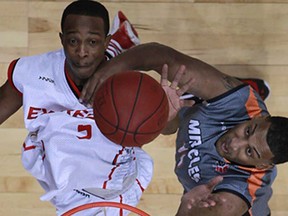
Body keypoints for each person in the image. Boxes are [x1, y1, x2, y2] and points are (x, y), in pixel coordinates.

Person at [79, 42, 288, 216]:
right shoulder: (240, 104)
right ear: (258, 117)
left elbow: (218, 210)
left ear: (263, 165)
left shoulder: (237, 195)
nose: (234, 143)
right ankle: (238, 87)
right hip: (226, 100)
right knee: (203, 90)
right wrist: (112, 68)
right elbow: (164, 57)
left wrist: (185, 210)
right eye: (248, 131)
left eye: (249, 151)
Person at [0, 0, 152, 215]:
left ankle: (119, 47)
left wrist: (168, 111)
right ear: (61, 39)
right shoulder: (33, 72)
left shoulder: (124, 85)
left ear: (104, 41)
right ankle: (121, 46)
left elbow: (167, 126)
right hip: (100, 179)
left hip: (73, 177)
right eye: (73, 41)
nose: (81, 51)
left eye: (92, 42)